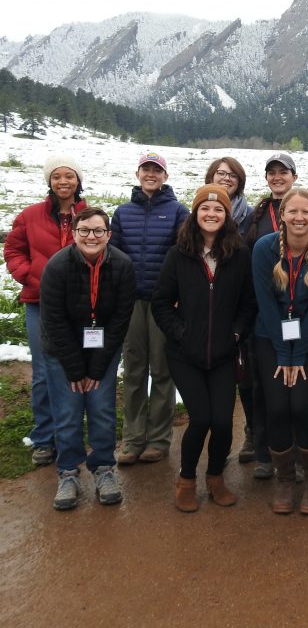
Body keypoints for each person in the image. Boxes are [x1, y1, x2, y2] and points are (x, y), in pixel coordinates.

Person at [152, 184, 256, 512]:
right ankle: (185, 480)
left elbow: (248, 303)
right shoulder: (179, 253)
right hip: (186, 354)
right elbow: (161, 302)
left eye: (218, 210)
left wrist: (236, 334)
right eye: (205, 209)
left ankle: (215, 477)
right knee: (200, 418)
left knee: (223, 421)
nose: (211, 215)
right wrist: (180, 333)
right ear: (195, 214)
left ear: (227, 216)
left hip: (224, 353)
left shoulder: (239, 254)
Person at [251, 188, 308, 515]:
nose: (299, 218)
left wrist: (298, 355)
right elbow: (265, 303)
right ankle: (285, 478)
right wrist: (282, 353)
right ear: (282, 214)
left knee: (301, 405)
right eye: (293, 211)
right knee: (277, 406)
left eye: (306, 212)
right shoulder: (264, 248)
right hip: (269, 334)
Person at [39, 208, 135, 510]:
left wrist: (95, 368)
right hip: (62, 351)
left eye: (98, 231)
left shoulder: (122, 265)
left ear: (108, 234)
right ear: (74, 234)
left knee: (101, 409)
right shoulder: (56, 267)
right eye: (84, 231)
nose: (91, 237)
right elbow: (54, 321)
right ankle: (68, 472)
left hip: (102, 348)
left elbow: (120, 320)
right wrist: (76, 369)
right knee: (68, 411)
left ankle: (104, 468)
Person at [5, 155, 87, 467]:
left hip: (78, 307)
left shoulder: (88, 214)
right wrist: (30, 276)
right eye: (57, 176)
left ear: (78, 181)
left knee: (76, 366)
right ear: (49, 181)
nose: (63, 182)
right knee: (42, 372)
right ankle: (44, 436)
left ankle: (71, 432)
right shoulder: (30, 216)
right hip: (39, 303)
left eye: (69, 176)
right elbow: (13, 250)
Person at [111, 151, 189, 465]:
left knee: (161, 370)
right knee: (133, 370)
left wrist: (178, 296)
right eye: (146, 169)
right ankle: (131, 439)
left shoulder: (178, 212)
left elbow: (184, 255)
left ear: (165, 176)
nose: (151, 175)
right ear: (138, 173)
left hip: (162, 303)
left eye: (157, 170)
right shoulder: (123, 213)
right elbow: (113, 255)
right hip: (131, 303)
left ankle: (158, 438)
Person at [242, 152, 299, 477]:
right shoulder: (258, 213)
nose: (277, 177)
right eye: (272, 173)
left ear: (293, 176)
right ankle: (265, 453)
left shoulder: (304, 208)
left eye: (283, 172)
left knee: (297, 385)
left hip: (299, 310)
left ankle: (298, 451)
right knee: (265, 384)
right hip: (264, 311)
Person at [204, 156, 255, 463]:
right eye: (220, 173)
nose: (225, 178)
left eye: (231, 175)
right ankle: (211, 436)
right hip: (206, 307)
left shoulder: (250, 215)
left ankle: (251, 431)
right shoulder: (198, 211)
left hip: (238, 304)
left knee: (245, 373)